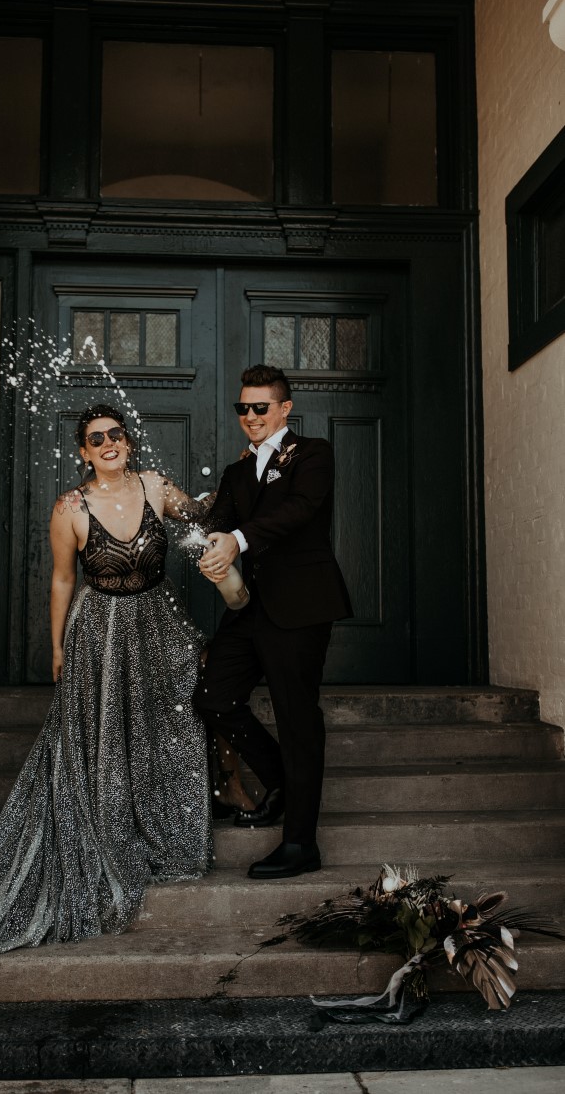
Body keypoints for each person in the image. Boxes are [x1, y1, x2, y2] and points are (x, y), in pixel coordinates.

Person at [0, 405, 212, 1000]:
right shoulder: (69, 509)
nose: (107, 444)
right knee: (100, 739)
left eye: (115, 435)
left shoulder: (157, 487)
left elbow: (203, 520)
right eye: (95, 439)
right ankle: (107, 829)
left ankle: (167, 828)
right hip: (98, 633)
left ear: (128, 442)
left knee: (171, 726)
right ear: (83, 451)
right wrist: (55, 648)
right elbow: (60, 581)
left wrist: (234, 494)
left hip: (157, 625)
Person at [194, 365, 352, 880]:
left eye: (260, 407)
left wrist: (236, 540)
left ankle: (301, 843)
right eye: (243, 407)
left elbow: (300, 511)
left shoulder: (313, 454)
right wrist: (207, 545)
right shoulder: (237, 473)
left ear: (285, 408)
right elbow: (215, 523)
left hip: (302, 605)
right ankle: (283, 781)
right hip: (250, 608)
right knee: (214, 696)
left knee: (297, 717)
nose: (251, 416)